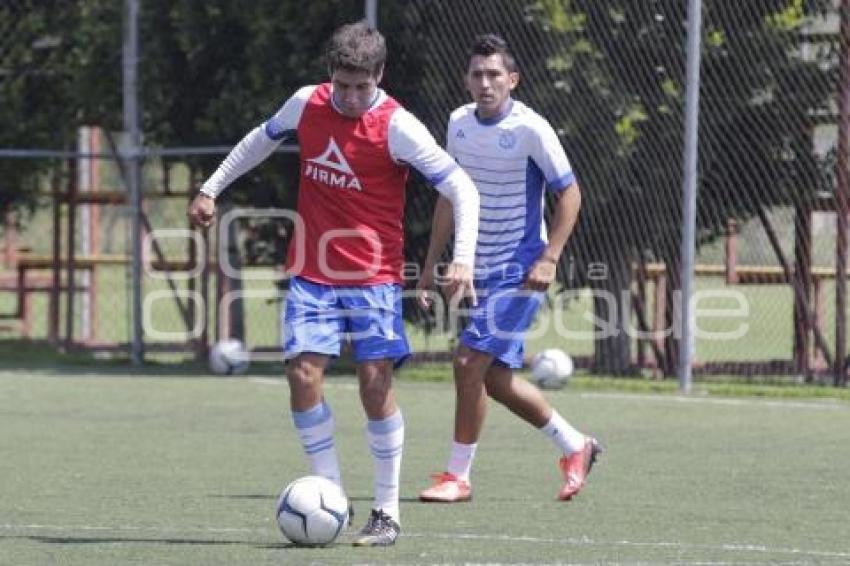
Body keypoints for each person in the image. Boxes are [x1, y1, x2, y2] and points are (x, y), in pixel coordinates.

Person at [188, 21, 479, 546]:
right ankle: (334, 495)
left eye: (360, 87)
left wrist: (462, 259)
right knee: (302, 375)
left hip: (374, 274)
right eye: (341, 85)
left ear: (379, 76)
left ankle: (387, 513)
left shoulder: (398, 127)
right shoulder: (306, 103)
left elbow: (461, 186)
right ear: (330, 75)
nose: (347, 97)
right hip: (312, 269)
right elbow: (261, 139)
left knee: (375, 385)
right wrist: (211, 188)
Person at [416, 34, 600, 504]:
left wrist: (550, 257)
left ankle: (458, 476)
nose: (485, 82)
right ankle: (574, 444)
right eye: (477, 74)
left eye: (494, 74)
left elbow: (571, 195)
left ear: (512, 80)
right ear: (466, 80)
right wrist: (431, 263)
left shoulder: (532, 129)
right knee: (493, 378)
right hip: (475, 269)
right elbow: (448, 197)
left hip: (519, 268)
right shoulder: (458, 124)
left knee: (466, 362)